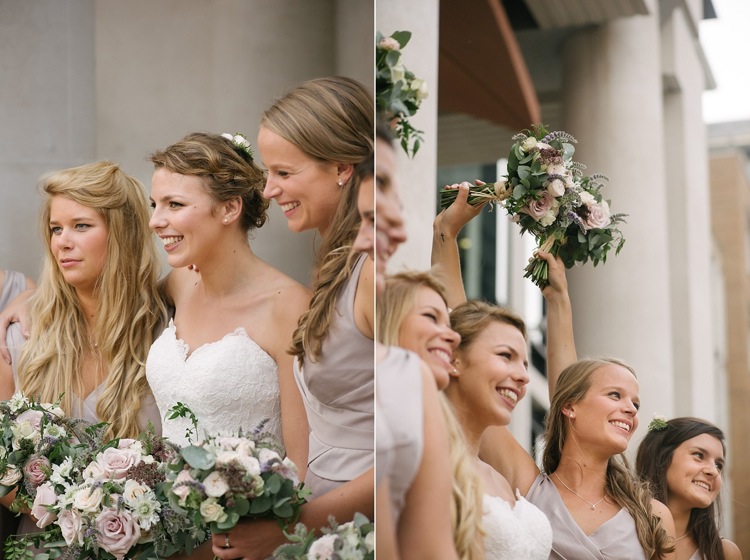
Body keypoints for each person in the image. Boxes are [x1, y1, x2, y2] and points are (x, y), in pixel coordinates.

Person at [434, 184, 676, 559]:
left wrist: (560, 302)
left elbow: (570, 384)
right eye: (615, 395)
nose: (631, 409)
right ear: (570, 407)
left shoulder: (651, 516)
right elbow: (458, 331)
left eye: (635, 403)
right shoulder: (528, 487)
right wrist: (445, 235)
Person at [211, 76, 374, 559]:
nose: (269, 189)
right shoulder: (337, 263)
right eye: (268, 172)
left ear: (341, 167)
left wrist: (290, 528)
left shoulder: (374, 273)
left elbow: (417, 447)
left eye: (283, 172)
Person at [0, 161, 167, 539]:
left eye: (81, 225)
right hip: (42, 545)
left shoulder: (168, 335)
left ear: (122, 233)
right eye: (56, 228)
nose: (62, 241)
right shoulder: (20, 338)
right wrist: (80, 521)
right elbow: (2, 472)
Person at [146, 131, 310, 476]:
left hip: (248, 506)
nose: (155, 221)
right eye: (154, 205)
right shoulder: (180, 283)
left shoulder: (290, 307)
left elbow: (302, 465)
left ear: (230, 208)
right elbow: (112, 304)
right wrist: (30, 299)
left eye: (174, 204)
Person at [637, 417, 742, 560]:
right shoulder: (625, 532)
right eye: (699, 455)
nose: (714, 471)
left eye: (718, 465)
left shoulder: (725, 553)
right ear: (662, 458)